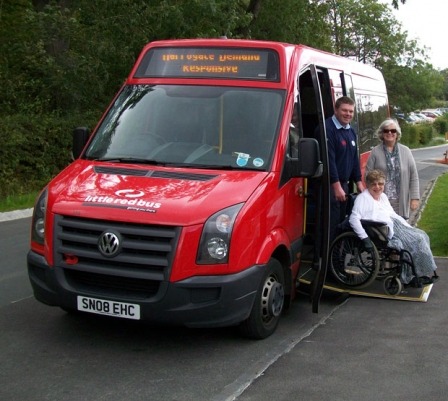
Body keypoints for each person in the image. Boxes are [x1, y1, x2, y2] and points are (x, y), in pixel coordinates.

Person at [349, 169, 438, 284]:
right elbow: (353, 219)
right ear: (368, 185)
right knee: (416, 241)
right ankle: (410, 275)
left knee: (422, 235)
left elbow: (392, 214)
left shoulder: (383, 197)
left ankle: (420, 272)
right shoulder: (362, 199)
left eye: (380, 184)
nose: (377, 187)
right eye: (374, 184)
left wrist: (407, 226)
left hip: (396, 225)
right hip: (381, 230)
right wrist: (364, 237)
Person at [326, 96, 365, 242]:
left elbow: (354, 159)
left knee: (342, 223)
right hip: (331, 186)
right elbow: (329, 161)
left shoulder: (350, 131)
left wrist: (359, 182)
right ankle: (327, 260)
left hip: (344, 185)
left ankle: (338, 258)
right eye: (344, 110)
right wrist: (336, 186)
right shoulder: (327, 129)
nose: (348, 114)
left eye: (351, 111)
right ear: (336, 110)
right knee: (332, 225)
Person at [365, 118, 419, 219]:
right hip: (381, 201)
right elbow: (368, 176)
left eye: (393, 130)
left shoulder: (406, 151)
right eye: (386, 130)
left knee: (400, 230)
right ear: (382, 133)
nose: (390, 133)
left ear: (397, 134)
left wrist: (415, 198)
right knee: (384, 231)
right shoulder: (375, 152)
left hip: (400, 201)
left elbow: (413, 176)